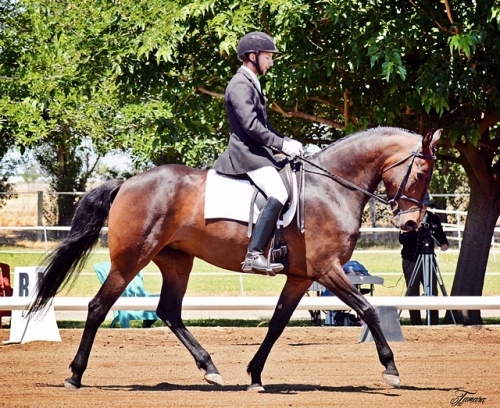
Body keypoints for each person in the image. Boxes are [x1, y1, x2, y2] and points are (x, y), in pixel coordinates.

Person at [213, 31, 303, 276]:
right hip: (246, 153)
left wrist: (284, 142)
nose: (271, 62)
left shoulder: (252, 82)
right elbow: (252, 127)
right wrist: (281, 146)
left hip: (258, 150)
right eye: (268, 57)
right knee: (279, 191)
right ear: (252, 56)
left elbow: (263, 126)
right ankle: (254, 254)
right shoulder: (240, 84)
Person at [399, 193, 449, 325]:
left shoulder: (433, 218)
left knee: (432, 290)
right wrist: (415, 230)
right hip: (411, 259)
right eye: (421, 205)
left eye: (425, 205)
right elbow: (402, 239)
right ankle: (416, 323)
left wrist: (443, 243)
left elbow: (440, 234)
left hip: (429, 258)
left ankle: (433, 322)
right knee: (413, 291)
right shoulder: (407, 219)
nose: (423, 207)